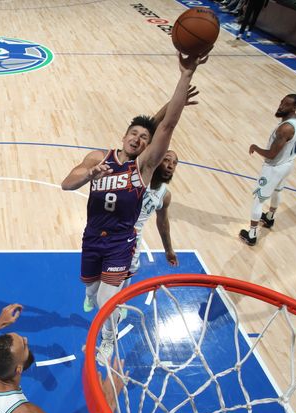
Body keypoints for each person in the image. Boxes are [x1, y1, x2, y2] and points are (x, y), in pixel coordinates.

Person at [61, 51, 208, 364]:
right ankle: (92, 294)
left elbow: (166, 125)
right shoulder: (98, 158)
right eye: (134, 134)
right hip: (92, 238)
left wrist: (185, 75)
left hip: (121, 243)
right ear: (124, 136)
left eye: (145, 138)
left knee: (105, 300)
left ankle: (107, 342)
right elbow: (66, 183)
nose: (139, 139)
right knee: (90, 288)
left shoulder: (144, 166)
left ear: (147, 145)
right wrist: (90, 175)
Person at [239, 94, 296, 246]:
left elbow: (272, 154)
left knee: (258, 199)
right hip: (288, 165)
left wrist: (255, 147)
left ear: (294, 108)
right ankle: (269, 217)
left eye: (286, 104)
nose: (280, 106)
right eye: (281, 102)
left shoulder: (285, 129)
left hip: (274, 167)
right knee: (278, 192)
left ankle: (251, 235)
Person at [126, 150, 180, 280]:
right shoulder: (136, 177)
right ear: (157, 159)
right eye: (166, 160)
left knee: (127, 275)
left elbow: (162, 222)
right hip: (113, 230)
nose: (171, 166)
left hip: (133, 240)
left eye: (174, 163)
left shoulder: (164, 195)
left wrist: (168, 250)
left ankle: (116, 300)